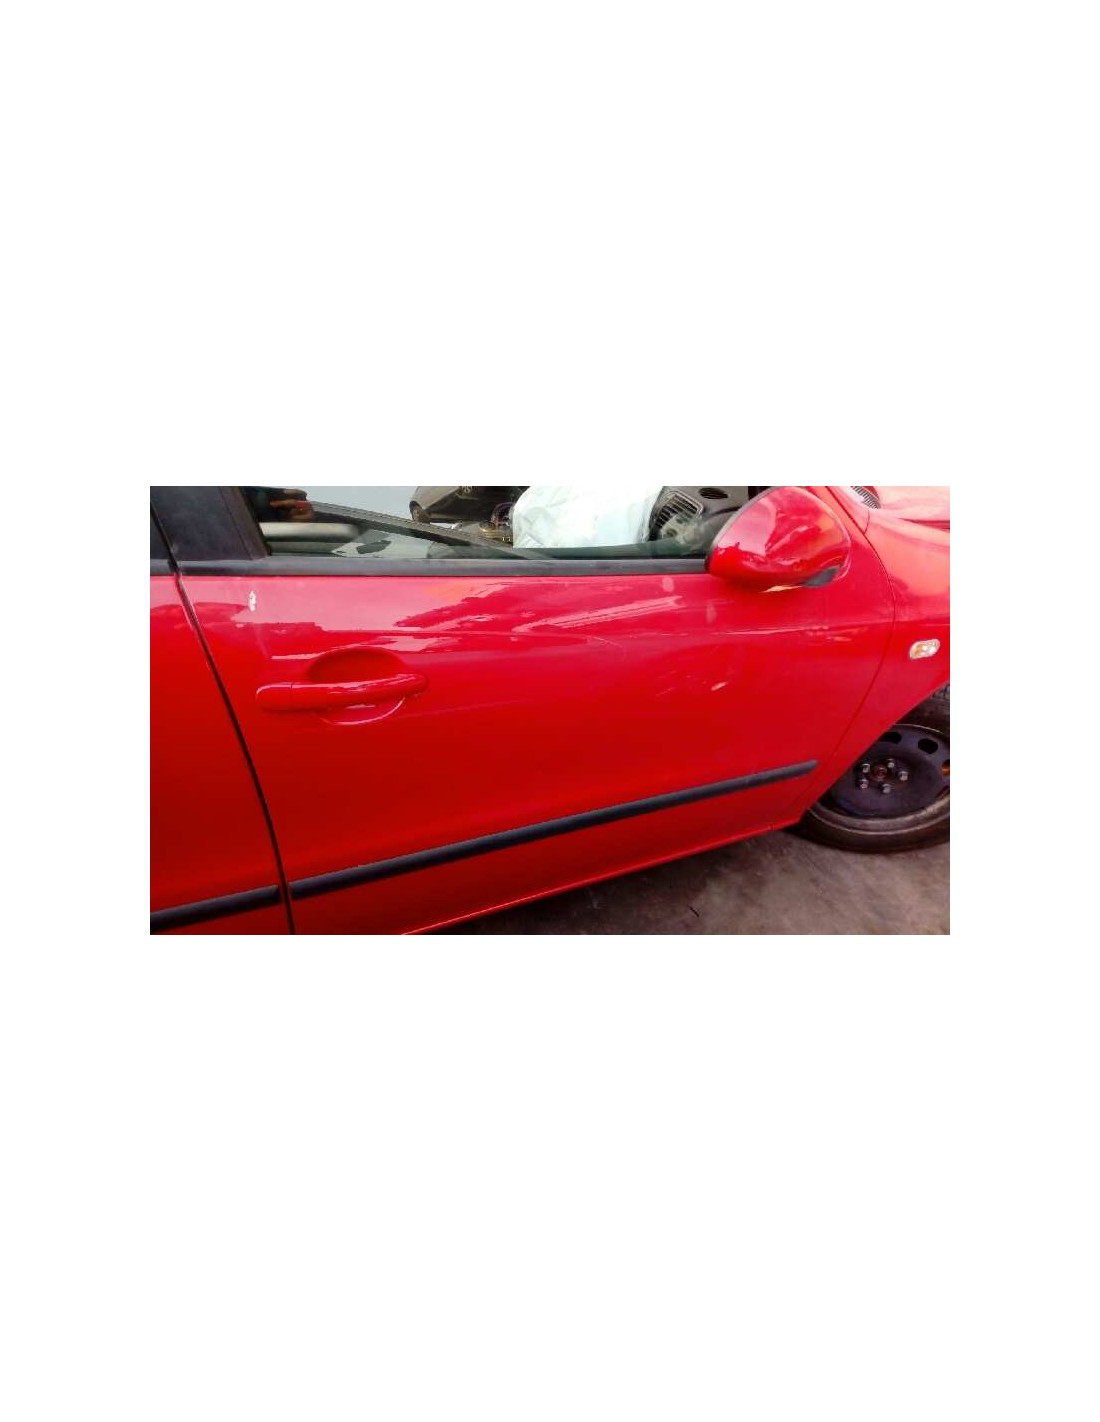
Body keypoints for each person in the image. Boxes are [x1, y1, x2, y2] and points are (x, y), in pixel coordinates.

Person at [243, 487, 315, 523]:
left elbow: (287, 520)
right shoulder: (299, 494)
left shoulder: (308, 515)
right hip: (251, 499)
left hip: (255, 512)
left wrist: (283, 503)